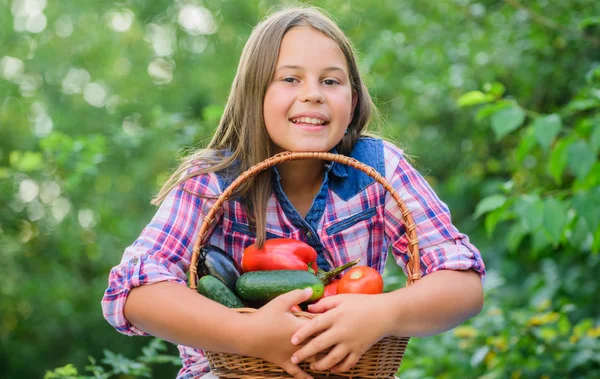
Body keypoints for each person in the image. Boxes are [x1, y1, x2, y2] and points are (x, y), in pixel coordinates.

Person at [101, 6, 486, 379]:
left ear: (352, 102)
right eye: (290, 79)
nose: (313, 95)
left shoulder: (379, 168)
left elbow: (462, 283)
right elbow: (133, 292)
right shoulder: (213, 181)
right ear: (255, 93)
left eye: (331, 81)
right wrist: (248, 335)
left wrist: (384, 313)